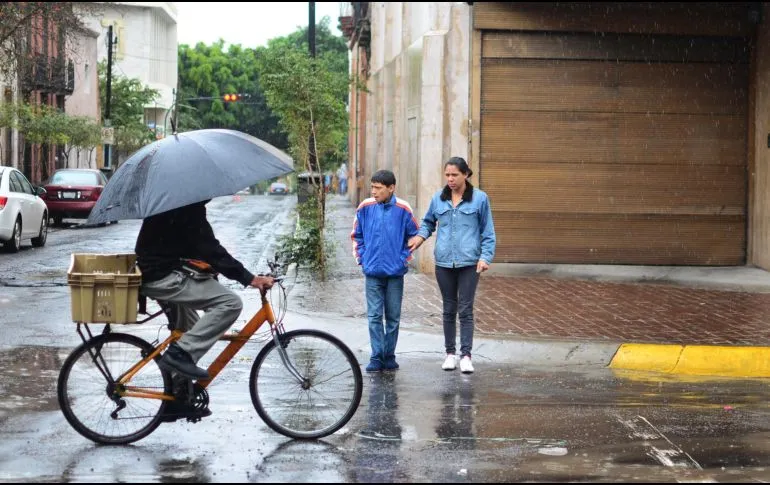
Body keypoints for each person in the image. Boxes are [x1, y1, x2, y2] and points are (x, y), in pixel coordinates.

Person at [135, 199, 274, 419]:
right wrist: (249, 278)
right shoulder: (187, 204)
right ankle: (179, 354)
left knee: (190, 329)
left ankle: (175, 398)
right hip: (163, 276)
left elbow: (193, 245)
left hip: (159, 270)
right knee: (230, 303)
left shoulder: (172, 199)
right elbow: (209, 248)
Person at [408, 157, 496, 374]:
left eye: (454, 174)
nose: (450, 179)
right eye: (447, 175)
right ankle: (450, 354)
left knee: (465, 309)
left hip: (469, 263)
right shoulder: (439, 198)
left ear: (465, 174)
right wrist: (419, 238)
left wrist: (485, 257)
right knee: (448, 309)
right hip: (444, 263)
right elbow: (428, 222)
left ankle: (466, 355)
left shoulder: (480, 199)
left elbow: (488, 232)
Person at [351, 170, 419, 372]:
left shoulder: (403, 208)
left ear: (391, 188)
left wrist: (402, 260)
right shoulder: (365, 207)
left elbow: (414, 236)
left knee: (393, 317)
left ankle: (389, 355)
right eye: (372, 187)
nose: (373, 191)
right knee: (373, 316)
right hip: (372, 272)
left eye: (378, 188)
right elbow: (357, 235)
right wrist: (362, 259)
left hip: (395, 274)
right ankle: (376, 356)